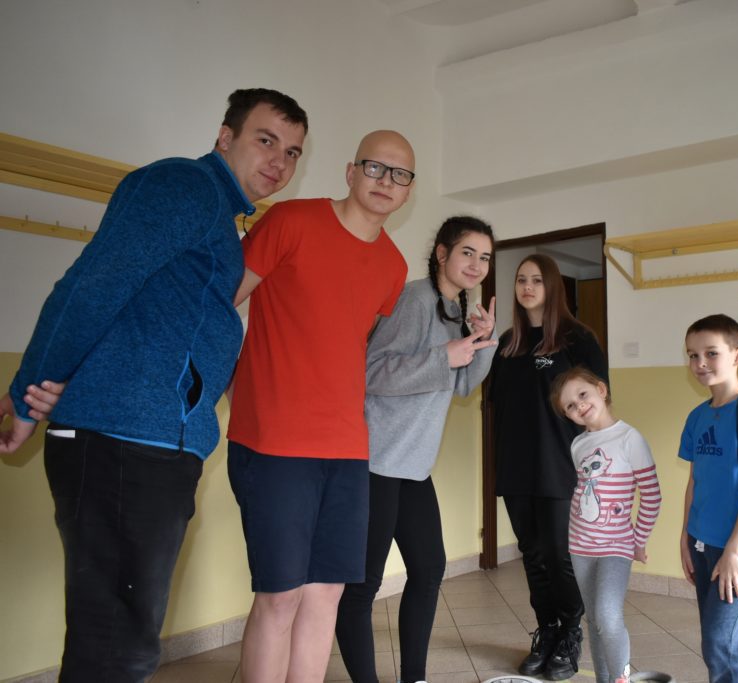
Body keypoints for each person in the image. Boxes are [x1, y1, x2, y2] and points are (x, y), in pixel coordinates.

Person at [0, 88, 308, 680]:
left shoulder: (220, 217)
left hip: (150, 442)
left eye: (293, 152)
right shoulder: (183, 185)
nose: (279, 161)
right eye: (266, 140)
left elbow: (151, 316)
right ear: (226, 137)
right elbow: (93, 285)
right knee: (118, 647)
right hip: (127, 443)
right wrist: (28, 393)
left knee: (117, 639)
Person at [226, 130, 412, 682]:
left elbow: (347, 343)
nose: (386, 181)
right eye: (375, 168)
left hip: (347, 449)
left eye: (400, 175)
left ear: (408, 191)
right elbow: (219, 303)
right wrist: (229, 387)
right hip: (273, 443)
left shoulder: (393, 267)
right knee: (279, 596)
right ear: (351, 172)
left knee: (326, 593)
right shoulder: (291, 221)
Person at [335, 216, 498, 683]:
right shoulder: (416, 299)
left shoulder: (455, 309)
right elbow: (373, 371)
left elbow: (460, 385)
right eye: (467, 252)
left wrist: (483, 343)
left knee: (428, 570)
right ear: (442, 254)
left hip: (413, 466)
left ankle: (415, 678)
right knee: (363, 585)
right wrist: (444, 355)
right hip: (376, 462)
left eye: (485, 257)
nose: (477, 265)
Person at [488, 254, 608, 680]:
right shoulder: (508, 343)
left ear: (552, 285)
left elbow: (597, 406)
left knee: (560, 555)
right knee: (533, 554)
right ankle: (548, 629)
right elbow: (495, 403)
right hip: (516, 466)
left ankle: (571, 631)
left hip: (563, 465)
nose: (527, 287)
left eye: (537, 280)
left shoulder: (577, 339)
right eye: (521, 279)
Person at [550, 366, 661, 683]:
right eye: (570, 406)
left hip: (616, 546)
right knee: (595, 621)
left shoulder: (630, 438)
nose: (579, 406)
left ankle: (621, 678)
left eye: (582, 395)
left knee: (608, 617)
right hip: (581, 547)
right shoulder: (578, 445)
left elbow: (652, 496)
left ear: (601, 390)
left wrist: (638, 541)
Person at [679, 314, 738, 683]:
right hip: (701, 542)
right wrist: (685, 537)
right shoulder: (697, 417)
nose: (700, 362)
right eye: (692, 355)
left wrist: (733, 550)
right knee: (720, 640)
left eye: (711, 353)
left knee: (721, 643)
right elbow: (694, 480)